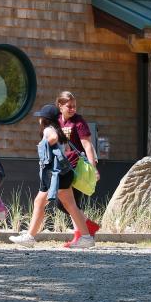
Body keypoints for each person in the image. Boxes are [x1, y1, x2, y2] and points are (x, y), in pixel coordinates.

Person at [9, 104, 93, 248]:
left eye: (40, 117)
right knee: (64, 205)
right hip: (60, 173)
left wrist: (45, 144)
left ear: (44, 119)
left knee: (43, 203)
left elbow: (52, 138)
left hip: (54, 174)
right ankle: (86, 238)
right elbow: (63, 147)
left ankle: (30, 237)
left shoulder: (49, 130)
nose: (39, 120)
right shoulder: (58, 130)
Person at [56, 92, 101, 247]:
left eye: (74, 106)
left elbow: (88, 145)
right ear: (60, 106)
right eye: (69, 106)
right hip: (63, 167)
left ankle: (80, 236)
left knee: (73, 203)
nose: (73, 109)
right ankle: (88, 225)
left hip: (77, 168)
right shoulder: (57, 121)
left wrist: (93, 168)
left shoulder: (79, 122)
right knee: (62, 203)